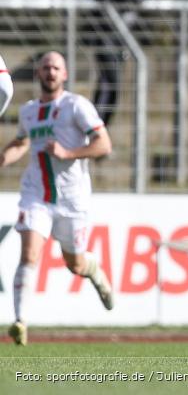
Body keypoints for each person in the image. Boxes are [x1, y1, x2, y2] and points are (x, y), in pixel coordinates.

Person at [0, 52, 114, 346]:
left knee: (74, 264)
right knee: (29, 254)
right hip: (36, 194)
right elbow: (22, 141)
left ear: (64, 75)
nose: (50, 72)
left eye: (56, 67)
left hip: (72, 199)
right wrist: (3, 158)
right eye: (46, 67)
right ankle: (20, 322)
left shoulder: (77, 106)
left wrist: (68, 153)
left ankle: (94, 271)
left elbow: (104, 144)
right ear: (38, 73)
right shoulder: (28, 111)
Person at [82, 0, 153, 126]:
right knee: (108, 82)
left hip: (127, 33)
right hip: (104, 33)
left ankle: (100, 129)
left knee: (113, 85)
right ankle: (95, 128)